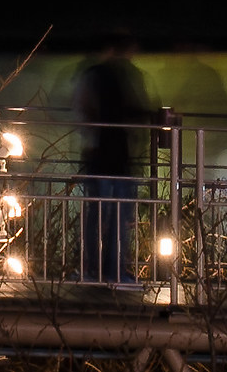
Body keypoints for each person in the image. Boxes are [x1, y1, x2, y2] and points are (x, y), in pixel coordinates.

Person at [74, 35, 154, 285]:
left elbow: (82, 110)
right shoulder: (121, 76)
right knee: (113, 216)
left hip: (108, 155)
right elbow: (129, 110)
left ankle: (98, 270)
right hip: (113, 156)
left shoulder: (98, 74)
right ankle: (109, 271)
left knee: (102, 215)